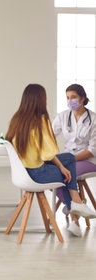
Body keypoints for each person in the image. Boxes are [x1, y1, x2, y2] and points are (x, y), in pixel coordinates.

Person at [5, 83, 96, 235]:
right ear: (41, 100)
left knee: (67, 160)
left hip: (24, 172)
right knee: (66, 172)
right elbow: (48, 153)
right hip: (39, 174)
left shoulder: (17, 120)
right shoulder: (42, 120)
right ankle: (76, 206)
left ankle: (75, 205)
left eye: (73, 97)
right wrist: (61, 166)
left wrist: (60, 164)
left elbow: (91, 150)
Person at [52, 83, 96, 236]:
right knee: (54, 175)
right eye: (67, 98)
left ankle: (73, 217)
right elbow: (49, 136)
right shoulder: (63, 116)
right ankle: (74, 211)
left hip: (89, 162)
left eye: (74, 97)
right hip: (68, 160)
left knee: (65, 173)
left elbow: (92, 150)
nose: (70, 101)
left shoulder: (94, 119)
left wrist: (69, 159)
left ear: (82, 98)